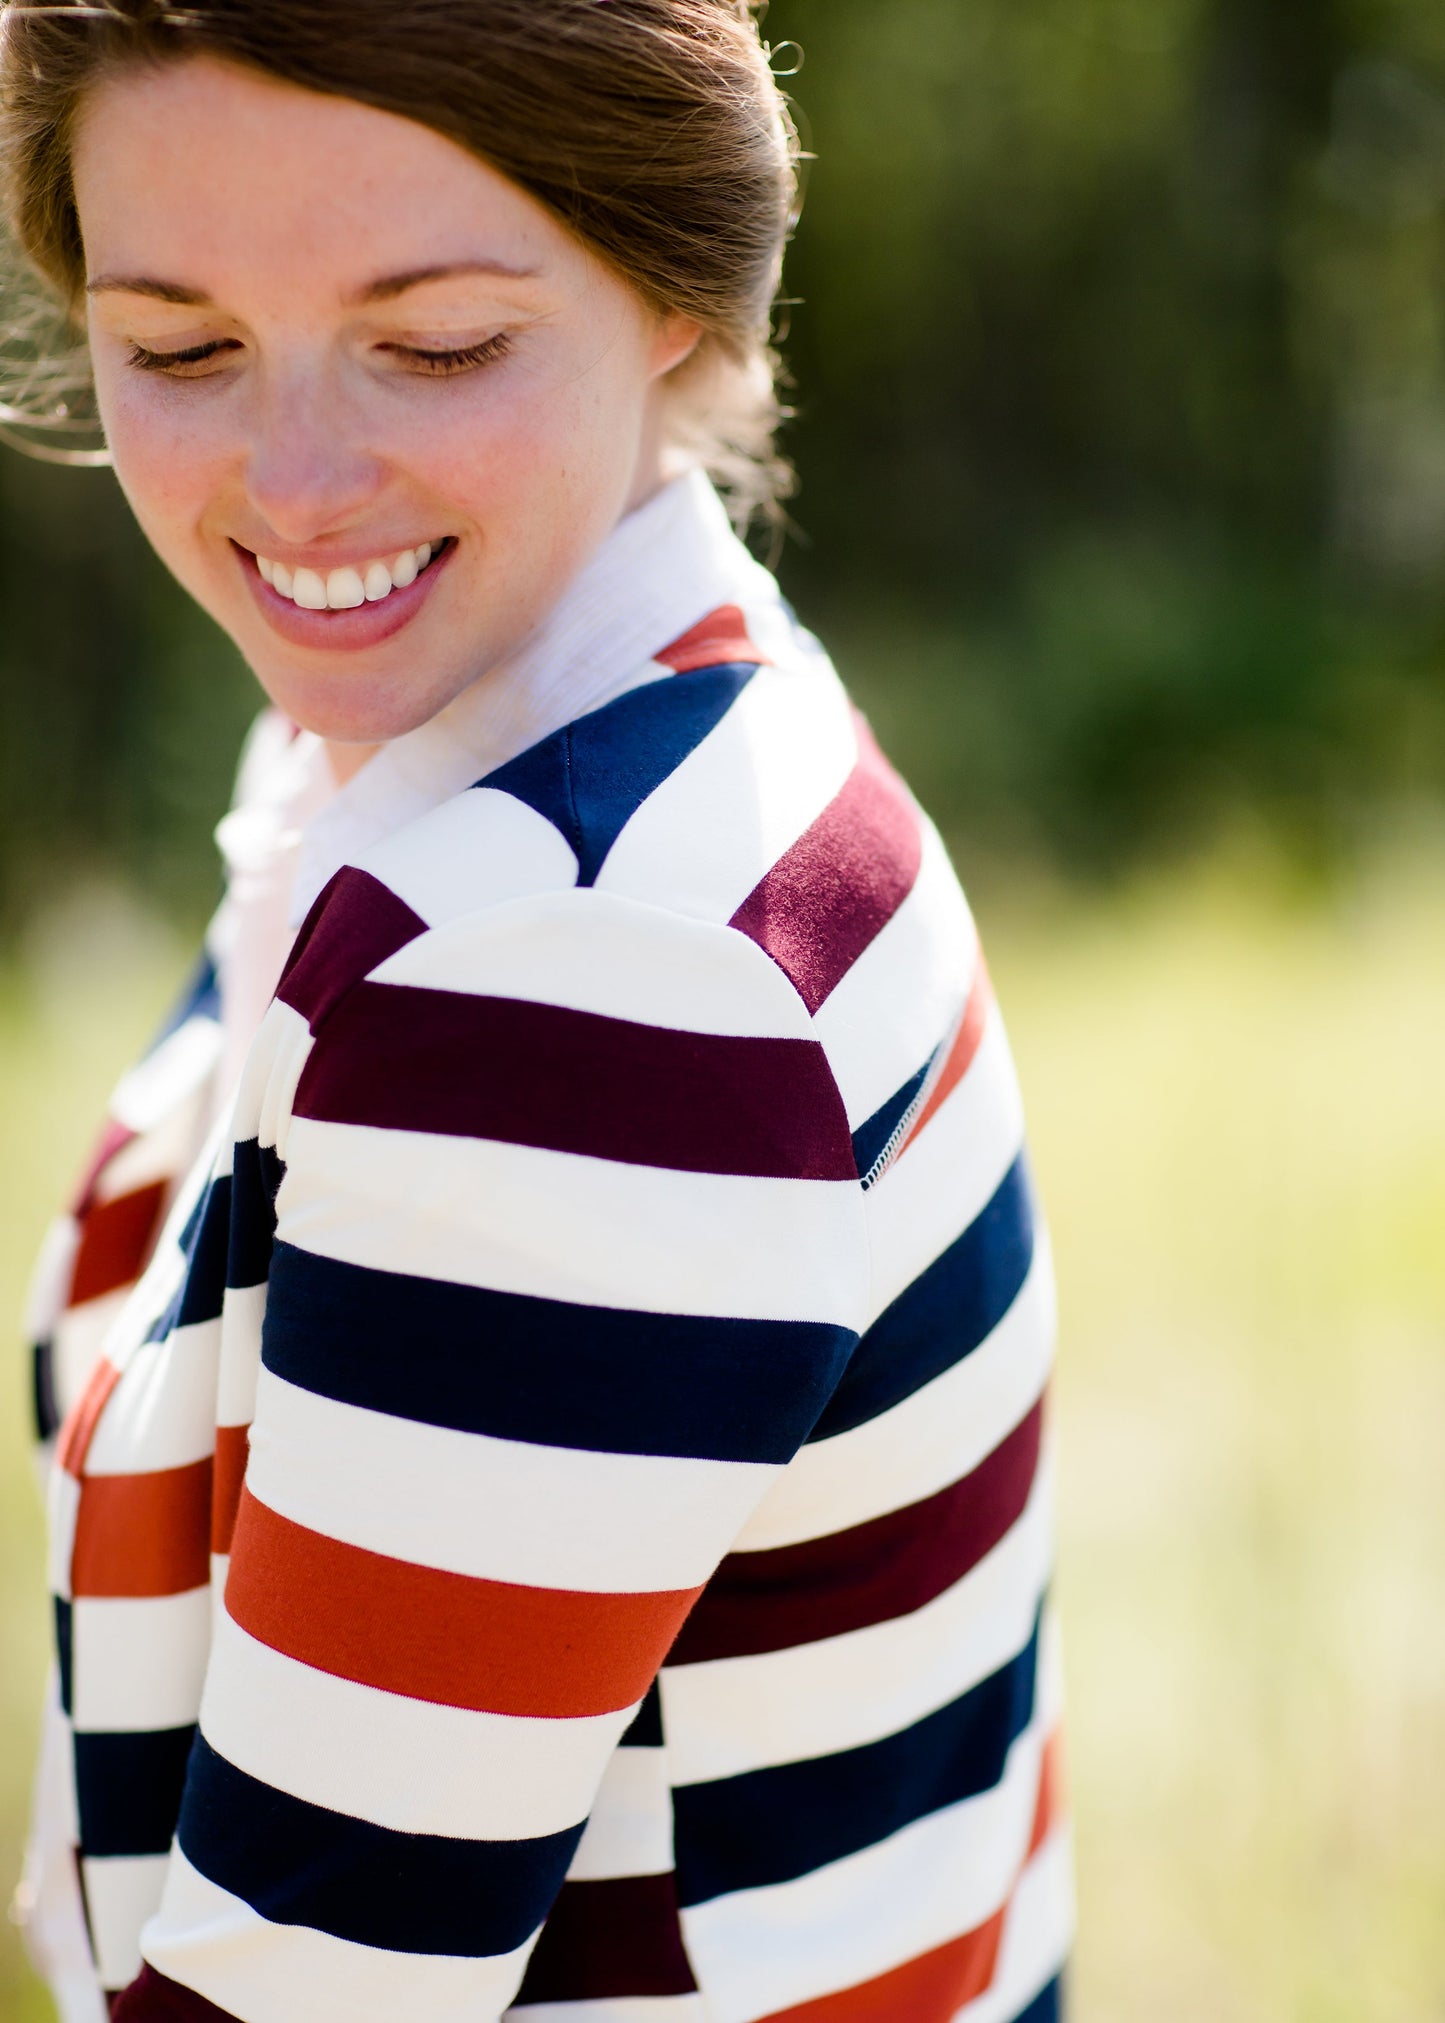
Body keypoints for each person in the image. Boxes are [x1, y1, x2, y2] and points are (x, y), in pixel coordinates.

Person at [2, 3, 1070, 2018]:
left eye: (438, 343)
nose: (298, 480)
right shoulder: (612, 728)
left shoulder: (583, 969)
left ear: (672, 287)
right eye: (179, 346)